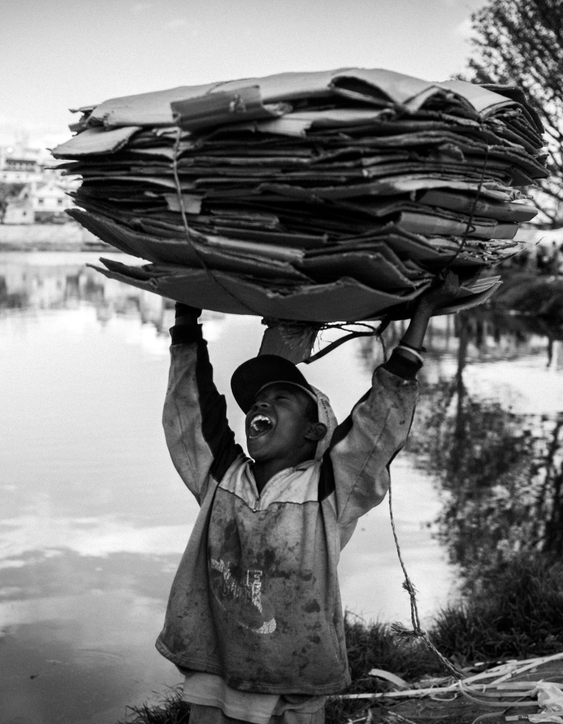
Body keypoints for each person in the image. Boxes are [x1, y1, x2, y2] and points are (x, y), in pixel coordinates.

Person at [159, 274, 459, 724]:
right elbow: (190, 408)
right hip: (215, 666)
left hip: (293, 675)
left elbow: (375, 424)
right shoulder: (221, 475)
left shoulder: (327, 491)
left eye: (281, 398)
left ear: (314, 431)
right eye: (258, 400)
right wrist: (187, 314)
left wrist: (422, 313)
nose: (261, 405)